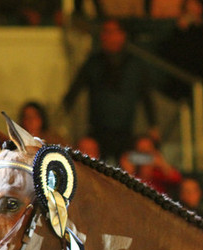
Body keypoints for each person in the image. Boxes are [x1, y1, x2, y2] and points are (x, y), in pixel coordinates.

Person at [62, 19, 158, 162]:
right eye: (104, 32)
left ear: (122, 35)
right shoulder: (93, 63)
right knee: (89, 165)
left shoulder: (136, 65)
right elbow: (73, 93)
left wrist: (153, 125)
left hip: (125, 134)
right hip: (97, 133)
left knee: (141, 161)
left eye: (111, 32)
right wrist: (61, 125)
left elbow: (147, 97)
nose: (106, 36)